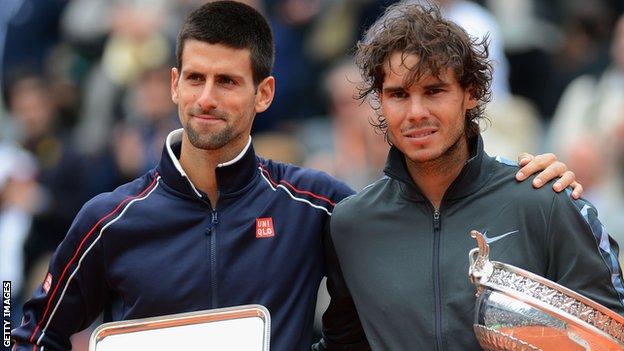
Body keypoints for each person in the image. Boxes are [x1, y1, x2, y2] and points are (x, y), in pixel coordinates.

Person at [11, 2, 581, 351]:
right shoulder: (109, 219)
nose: (207, 99)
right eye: (197, 79)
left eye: (228, 82)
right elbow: (23, 326)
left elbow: (419, 221)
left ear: (264, 93)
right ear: (174, 85)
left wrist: (527, 181)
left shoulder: (321, 206)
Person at [320, 2, 624, 350]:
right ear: (381, 101)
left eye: (434, 90)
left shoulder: (544, 199)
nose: (416, 113)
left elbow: (611, 336)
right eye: (399, 94)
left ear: (471, 93)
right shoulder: (351, 224)